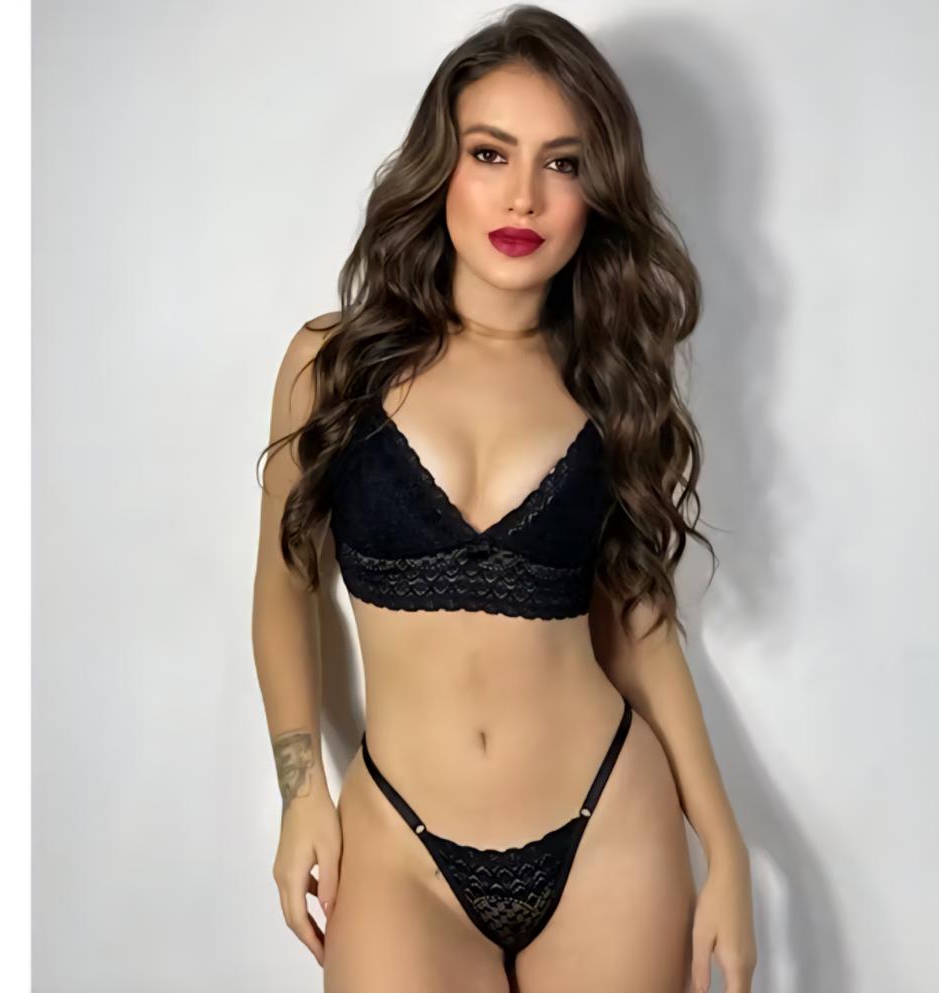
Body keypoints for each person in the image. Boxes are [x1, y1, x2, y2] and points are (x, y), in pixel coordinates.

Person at [252, 6, 756, 992]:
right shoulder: (333, 363)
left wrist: (727, 847)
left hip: (608, 830)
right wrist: (299, 791)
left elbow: (639, 627)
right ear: (441, 165)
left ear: (597, 191)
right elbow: (283, 590)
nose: (523, 195)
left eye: (563, 163)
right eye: (491, 153)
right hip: (400, 845)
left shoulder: (609, 383)